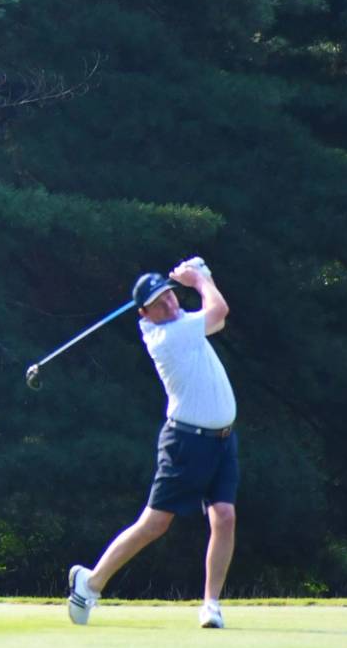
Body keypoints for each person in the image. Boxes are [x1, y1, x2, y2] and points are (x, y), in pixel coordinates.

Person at [67, 257, 237, 629]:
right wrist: (199, 279)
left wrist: (201, 280)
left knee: (224, 516)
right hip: (185, 442)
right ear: (144, 313)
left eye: (172, 296)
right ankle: (91, 584)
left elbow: (217, 319)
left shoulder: (183, 324)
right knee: (156, 523)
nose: (171, 304)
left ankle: (211, 604)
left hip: (223, 440)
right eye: (160, 303)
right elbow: (219, 309)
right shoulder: (166, 336)